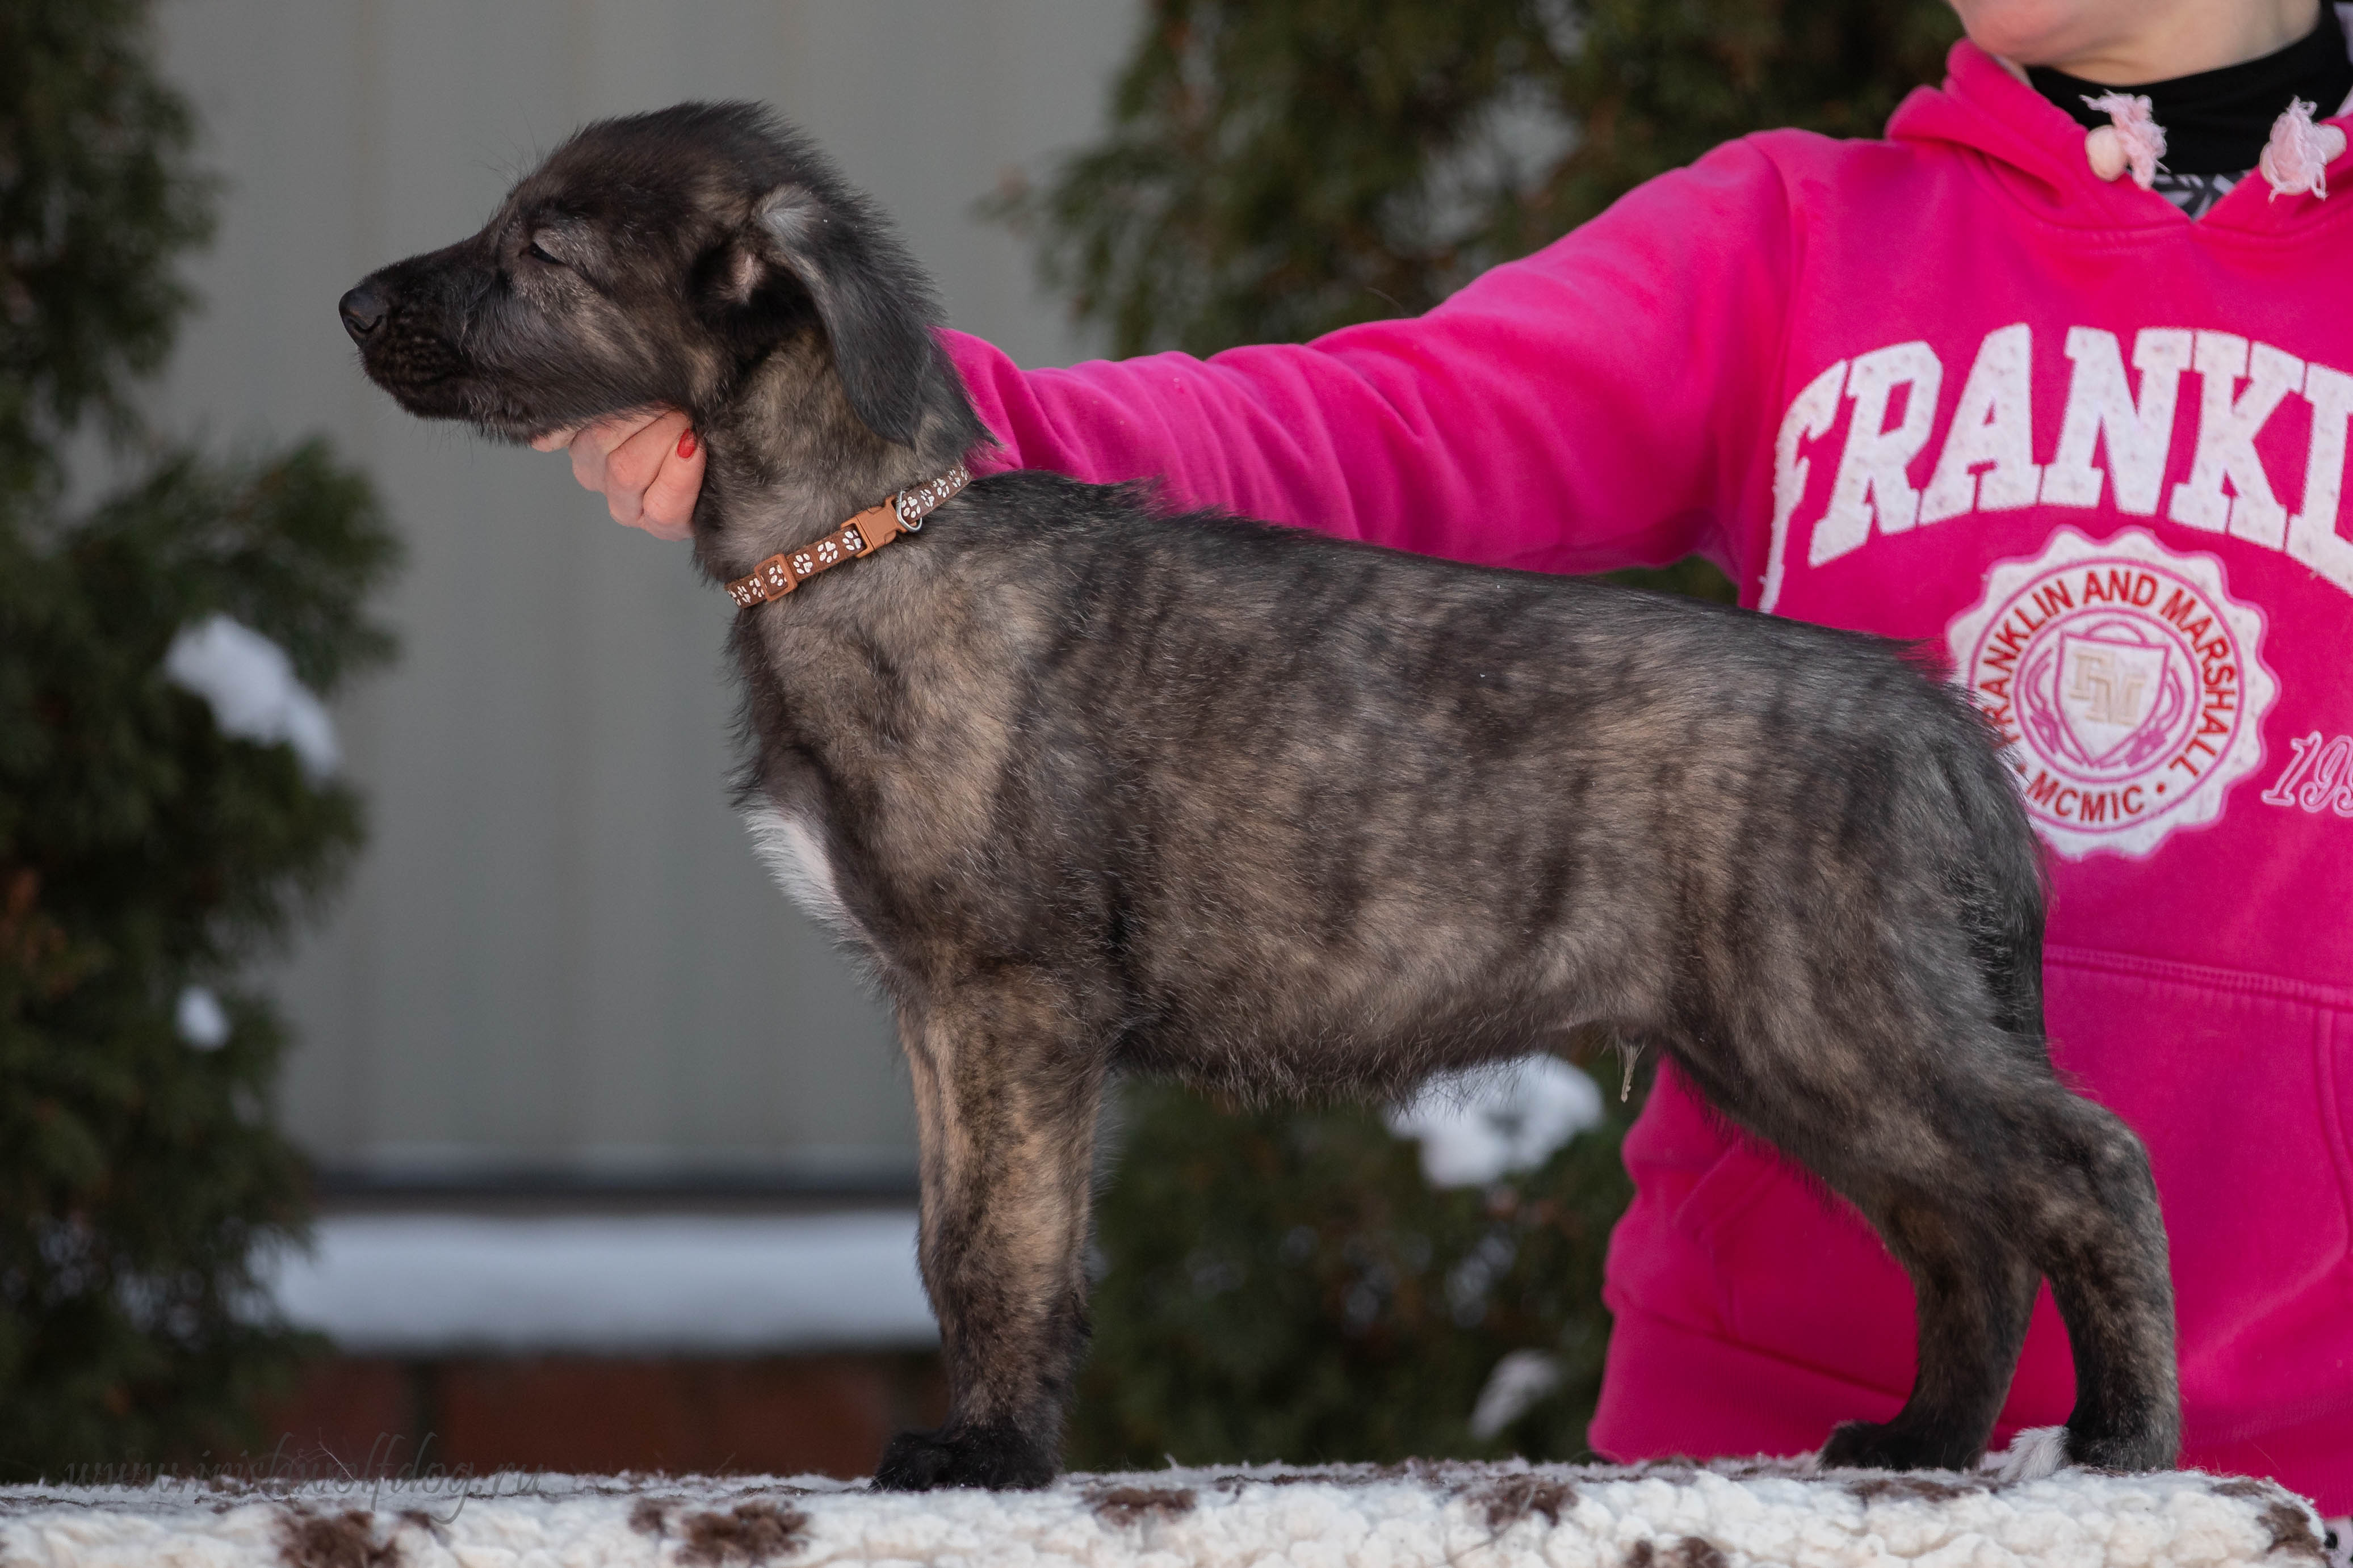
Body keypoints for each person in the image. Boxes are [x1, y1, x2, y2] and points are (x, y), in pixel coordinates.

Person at [543, 0, 2353, 1527]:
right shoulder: (1798, 238)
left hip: (2310, 1461)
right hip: (1771, 1458)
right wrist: (888, 417)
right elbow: (1383, 429)